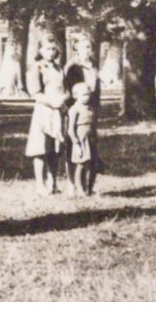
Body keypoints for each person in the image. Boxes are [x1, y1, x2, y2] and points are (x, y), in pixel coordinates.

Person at [24, 35, 68, 195]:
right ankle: (40, 185)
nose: (50, 52)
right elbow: (35, 93)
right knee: (41, 148)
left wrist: (63, 101)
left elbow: (64, 89)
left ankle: (53, 183)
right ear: (41, 50)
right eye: (47, 48)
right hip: (44, 110)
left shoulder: (58, 68)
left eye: (53, 49)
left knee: (55, 149)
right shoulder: (37, 67)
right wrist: (52, 102)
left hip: (58, 112)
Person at [64, 33, 101, 193]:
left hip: (91, 109)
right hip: (75, 110)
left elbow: (96, 88)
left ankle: (87, 186)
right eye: (83, 47)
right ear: (76, 49)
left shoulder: (93, 65)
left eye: (89, 46)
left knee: (91, 148)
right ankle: (72, 183)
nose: (87, 50)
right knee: (74, 146)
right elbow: (68, 89)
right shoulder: (72, 66)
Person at [67, 82, 98, 196]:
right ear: (75, 95)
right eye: (83, 95)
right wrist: (76, 143)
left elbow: (93, 125)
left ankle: (89, 188)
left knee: (92, 164)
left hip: (90, 139)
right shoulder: (74, 109)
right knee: (81, 164)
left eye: (88, 95)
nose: (86, 97)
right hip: (80, 140)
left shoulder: (91, 108)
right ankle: (79, 188)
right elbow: (70, 129)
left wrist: (95, 137)